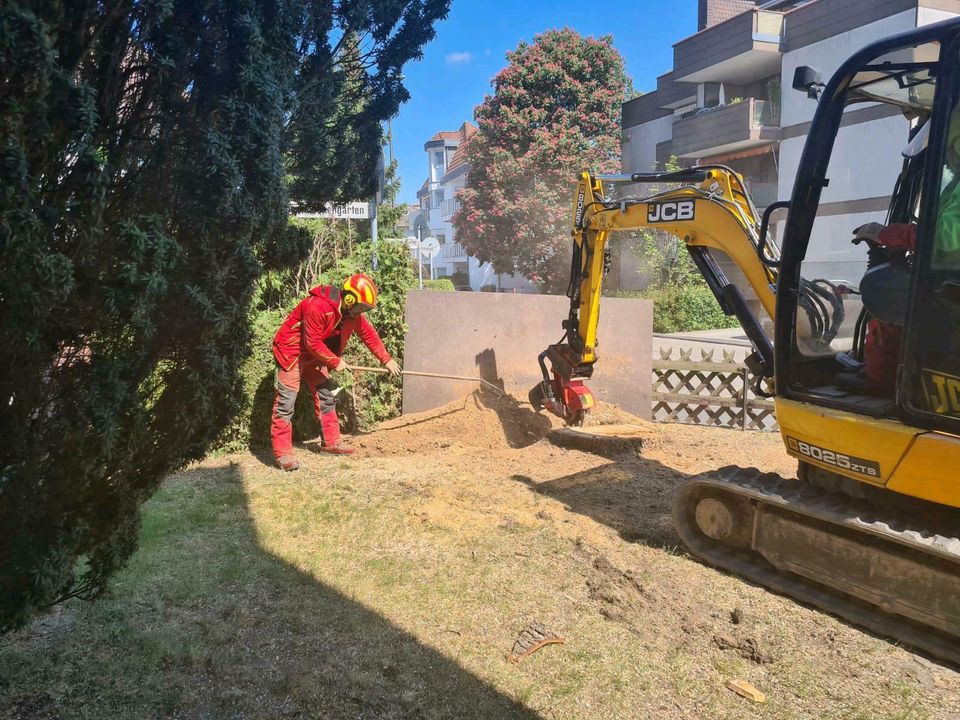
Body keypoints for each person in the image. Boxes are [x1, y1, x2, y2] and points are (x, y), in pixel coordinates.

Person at [270, 273, 401, 470]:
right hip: (291, 353)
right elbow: (312, 342)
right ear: (349, 298)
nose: (362, 312)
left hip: (316, 356)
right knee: (286, 402)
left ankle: (331, 444)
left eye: (366, 309)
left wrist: (387, 359)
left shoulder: (352, 315)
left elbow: (369, 335)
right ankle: (283, 454)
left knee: (325, 396)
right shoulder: (316, 306)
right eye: (361, 307)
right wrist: (335, 361)